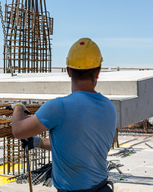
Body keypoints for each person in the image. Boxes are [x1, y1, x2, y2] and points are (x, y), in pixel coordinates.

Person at [10, 38, 117, 192]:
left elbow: (18, 130)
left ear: (68, 71)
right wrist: (37, 142)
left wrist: (18, 107)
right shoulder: (109, 108)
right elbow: (78, 146)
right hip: (102, 188)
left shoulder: (59, 107)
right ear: (98, 72)